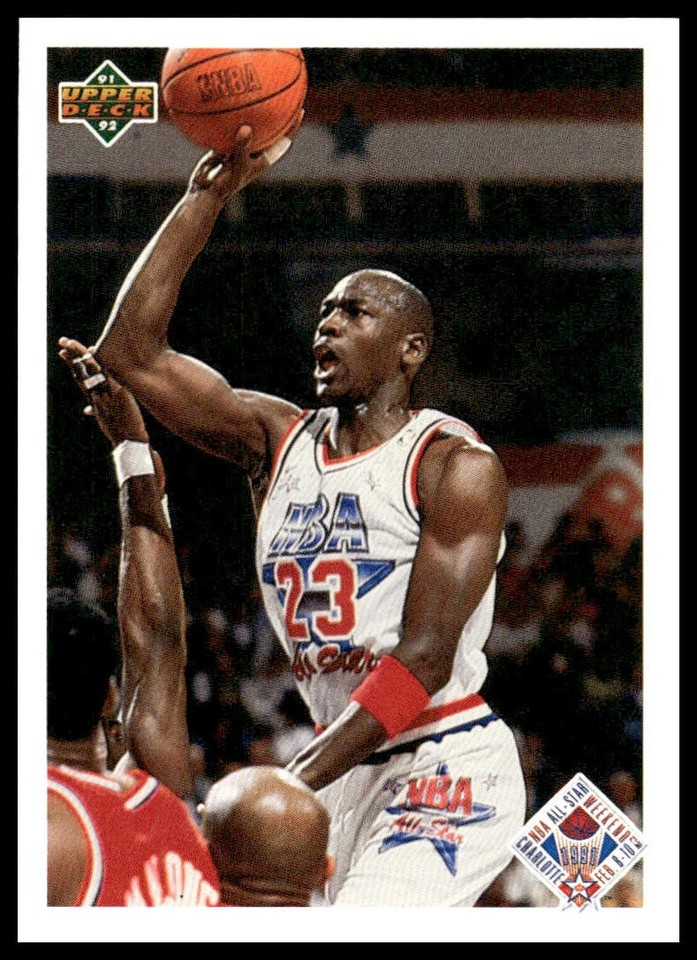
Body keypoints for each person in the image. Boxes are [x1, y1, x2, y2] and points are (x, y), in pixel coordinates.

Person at [88, 125, 527, 907]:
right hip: (337, 771)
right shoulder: (275, 438)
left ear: (409, 350)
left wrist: (287, 783)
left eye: (354, 313)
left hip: (441, 757)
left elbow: (424, 661)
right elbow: (128, 352)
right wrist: (205, 197)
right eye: (324, 311)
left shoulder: (453, 465)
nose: (327, 323)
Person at [53, 341, 333, 906]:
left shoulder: (51, 830)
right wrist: (134, 459)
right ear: (109, 698)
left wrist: (134, 461)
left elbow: (155, 648)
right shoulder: (159, 808)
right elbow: (157, 647)